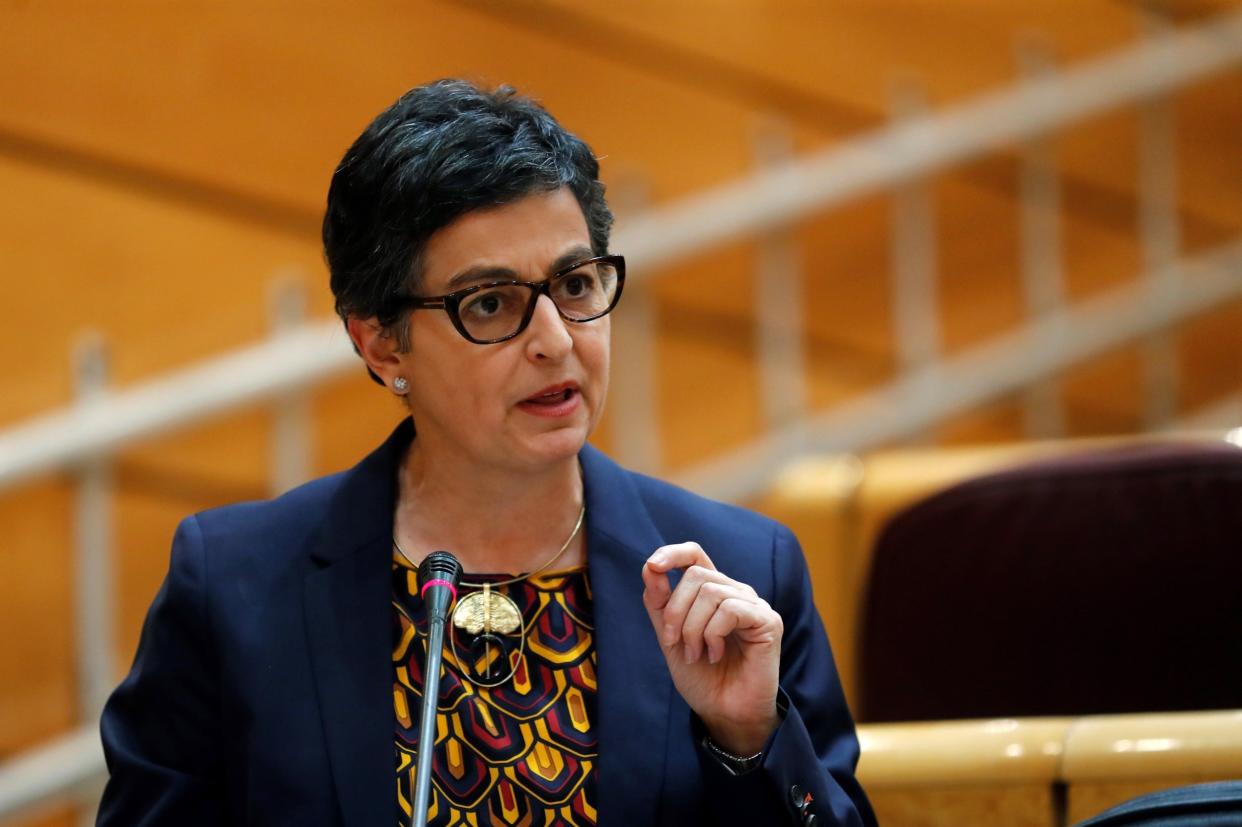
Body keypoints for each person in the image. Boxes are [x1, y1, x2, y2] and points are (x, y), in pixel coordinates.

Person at [97, 79, 875, 827]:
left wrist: (750, 741)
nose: (555, 340)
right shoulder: (234, 590)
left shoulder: (742, 571)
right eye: (491, 303)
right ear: (379, 341)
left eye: (575, 283)